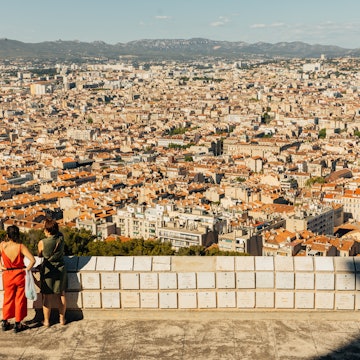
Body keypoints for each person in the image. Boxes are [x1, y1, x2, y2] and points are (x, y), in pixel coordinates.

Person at [0, 225, 35, 333]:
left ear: (7, 235)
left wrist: (1, 266)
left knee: (8, 298)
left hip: (8, 275)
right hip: (19, 275)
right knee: (20, 299)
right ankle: (17, 323)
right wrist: (26, 270)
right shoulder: (20, 247)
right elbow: (32, 260)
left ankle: (5, 321)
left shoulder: (2, 245)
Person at [38, 218, 67, 327]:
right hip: (60, 268)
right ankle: (62, 319)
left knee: (47, 297)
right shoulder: (61, 238)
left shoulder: (42, 242)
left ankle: (46, 321)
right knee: (61, 294)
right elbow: (58, 233)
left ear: (48, 230)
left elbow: (40, 255)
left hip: (48, 270)